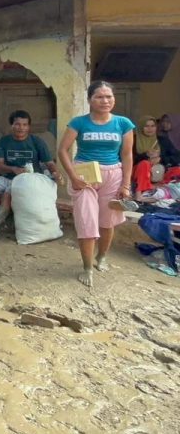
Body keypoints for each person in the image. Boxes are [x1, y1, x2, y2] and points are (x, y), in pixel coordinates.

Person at [57, 80, 134, 288]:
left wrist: (126, 185)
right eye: (99, 97)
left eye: (109, 96)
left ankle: (101, 257)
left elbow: (127, 155)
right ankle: (87, 267)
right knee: (86, 221)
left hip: (113, 174)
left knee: (107, 222)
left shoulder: (123, 123)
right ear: (90, 100)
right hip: (84, 175)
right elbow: (63, 150)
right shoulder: (79, 122)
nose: (105, 101)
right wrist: (73, 177)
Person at [0, 109, 62, 227]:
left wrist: (55, 172)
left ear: (29, 126)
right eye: (17, 124)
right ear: (11, 125)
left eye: (25, 125)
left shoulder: (36, 142)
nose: (21, 128)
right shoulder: (4, 141)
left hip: (29, 181)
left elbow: (49, 163)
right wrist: (13, 169)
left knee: (7, 197)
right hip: (6, 179)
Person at [133, 114, 180, 195]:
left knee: (177, 169)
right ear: (141, 127)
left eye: (153, 126)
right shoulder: (133, 140)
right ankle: (143, 190)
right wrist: (146, 155)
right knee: (145, 164)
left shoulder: (162, 140)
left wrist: (160, 158)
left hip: (159, 171)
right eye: (146, 126)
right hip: (139, 170)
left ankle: (159, 186)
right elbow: (128, 158)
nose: (150, 129)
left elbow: (177, 157)